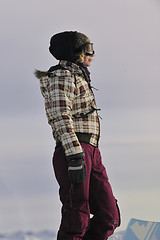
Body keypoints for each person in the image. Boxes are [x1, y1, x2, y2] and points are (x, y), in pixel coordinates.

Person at [35, 31, 120, 240]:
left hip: (91, 150)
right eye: (88, 49)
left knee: (109, 214)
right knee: (77, 215)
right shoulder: (61, 76)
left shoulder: (78, 76)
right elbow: (60, 116)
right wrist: (74, 156)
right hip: (74, 150)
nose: (92, 54)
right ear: (75, 52)